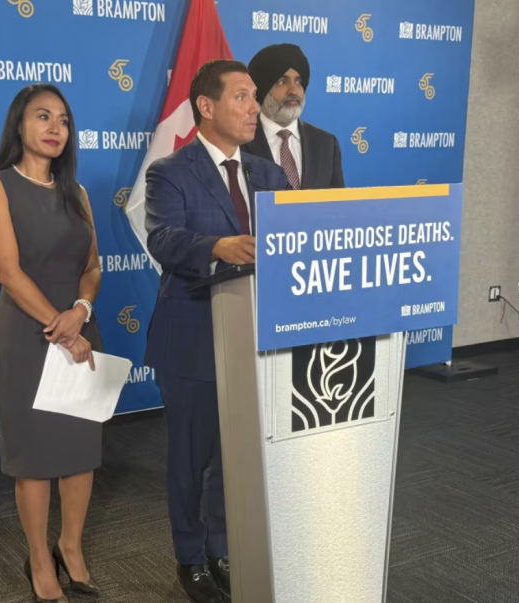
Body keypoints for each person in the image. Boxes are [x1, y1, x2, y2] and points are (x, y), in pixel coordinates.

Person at [144, 60, 289, 603]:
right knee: (190, 459)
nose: (257, 107)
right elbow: (165, 240)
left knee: (237, 458)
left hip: (259, 338)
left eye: (256, 98)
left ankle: (223, 547)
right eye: (243, 97)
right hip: (193, 338)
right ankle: (190, 558)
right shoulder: (170, 172)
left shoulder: (270, 174)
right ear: (206, 106)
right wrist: (216, 248)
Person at [0, 84, 102, 603]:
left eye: (64, 120)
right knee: (35, 458)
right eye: (43, 116)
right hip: (29, 336)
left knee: (79, 453)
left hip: (78, 331)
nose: (55, 128)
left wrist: (82, 313)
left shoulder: (78, 192)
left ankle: (70, 549)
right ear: (19, 126)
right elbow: (8, 272)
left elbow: (92, 266)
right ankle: (37, 559)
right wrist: (60, 325)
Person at [243, 43, 345, 190]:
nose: (294, 91)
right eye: (282, 82)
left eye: (299, 82)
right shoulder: (240, 142)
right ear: (263, 89)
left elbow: (338, 207)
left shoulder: (327, 144)